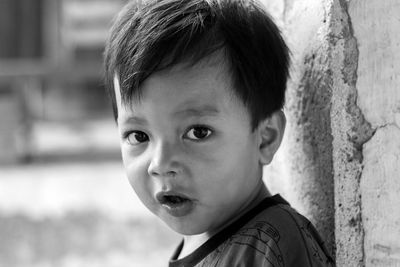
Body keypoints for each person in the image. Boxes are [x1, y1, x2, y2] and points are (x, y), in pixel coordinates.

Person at [104, 0, 335, 266]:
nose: (160, 164)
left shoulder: (272, 247)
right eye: (139, 136)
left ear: (265, 137)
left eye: (198, 132)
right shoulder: (201, 238)